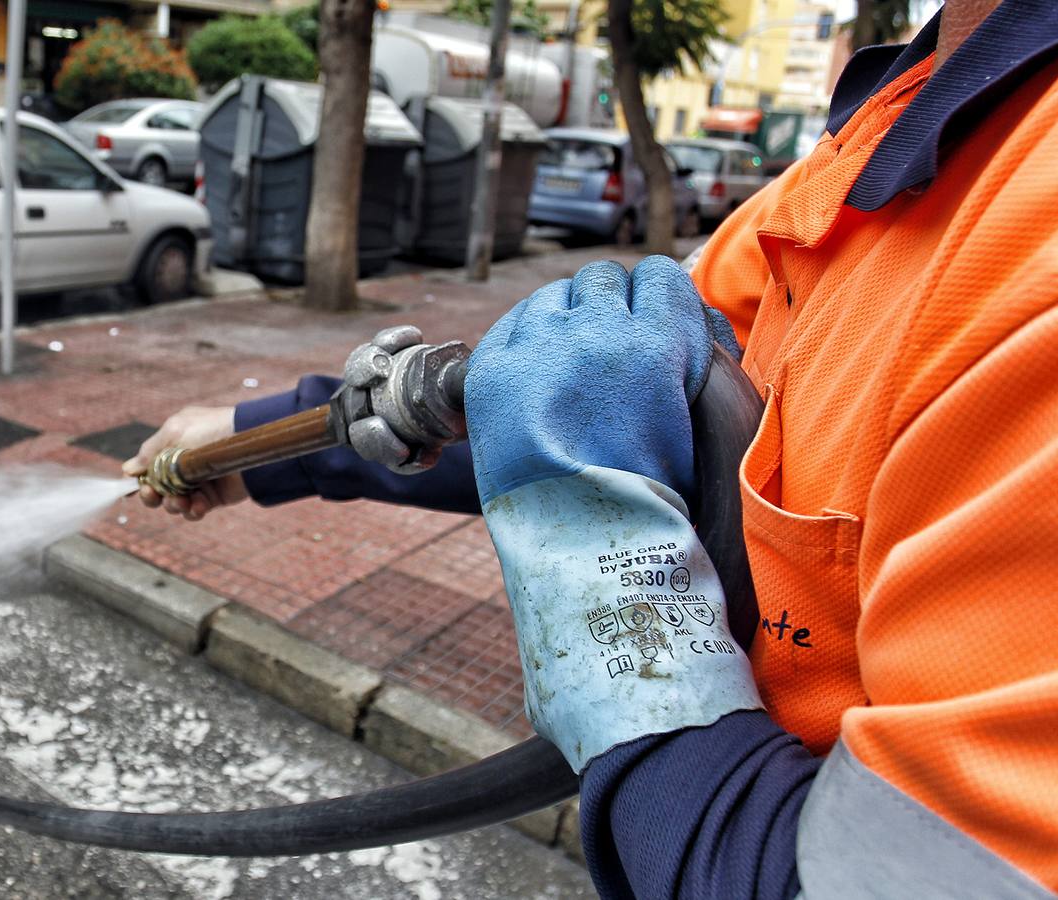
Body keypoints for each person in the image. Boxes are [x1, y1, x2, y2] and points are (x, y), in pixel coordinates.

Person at [124, 1, 1058, 896]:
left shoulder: (1032, 224)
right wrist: (263, 442)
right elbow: (580, 395)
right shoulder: (897, 125)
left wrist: (612, 602)